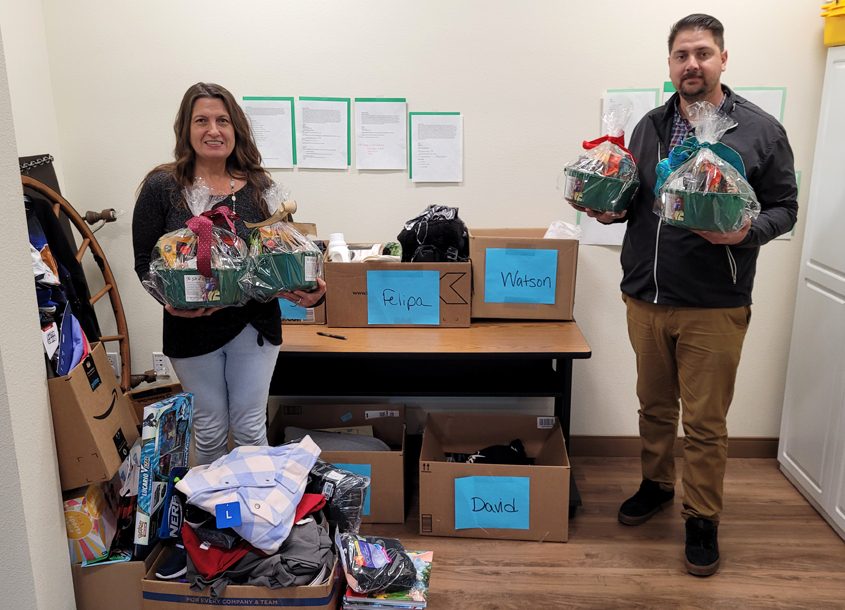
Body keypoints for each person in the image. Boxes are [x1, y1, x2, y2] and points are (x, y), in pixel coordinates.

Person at [570, 15, 798, 576]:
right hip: (644, 297)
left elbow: (785, 207)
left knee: (704, 423)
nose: (691, 64)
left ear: (723, 58)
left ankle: (702, 517)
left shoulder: (760, 130)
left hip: (715, 304)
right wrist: (609, 209)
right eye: (680, 55)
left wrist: (747, 232)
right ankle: (656, 484)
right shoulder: (649, 126)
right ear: (669, 64)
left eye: (702, 53)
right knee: (653, 405)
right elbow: (636, 199)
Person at [132, 82, 326, 465]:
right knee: (209, 429)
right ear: (186, 130)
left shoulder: (260, 188)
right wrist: (170, 303)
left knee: (250, 427)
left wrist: (313, 291)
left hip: (255, 326)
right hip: (191, 329)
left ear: (236, 128)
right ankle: (214, 523)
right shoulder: (161, 186)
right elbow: (144, 264)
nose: (213, 130)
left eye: (222, 120)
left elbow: (285, 254)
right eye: (201, 120)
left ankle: (253, 519)